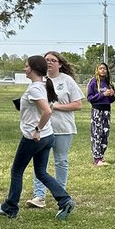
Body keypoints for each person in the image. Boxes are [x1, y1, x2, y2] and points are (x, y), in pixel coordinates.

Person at [0, 55, 76, 220]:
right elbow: (40, 108)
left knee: (16, 171)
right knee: (40, 172)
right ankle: (65, 200)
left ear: (33, 69)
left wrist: (37, 129)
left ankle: (10, 207)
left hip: (35, 137)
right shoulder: (42, 85)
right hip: (48, 136)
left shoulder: (35, 88)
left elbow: (47, 111)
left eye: (26, 66)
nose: (24, 69)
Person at [27, 51, 84, 208]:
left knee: (60, 160)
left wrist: (57, 106)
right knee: (40, 163)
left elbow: (78, 104)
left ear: (60, 64)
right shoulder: (38, 81)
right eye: (47, 60)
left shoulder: (67, 81)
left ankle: (61, 194)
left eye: (53, 60)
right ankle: (39, 196)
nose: (50, 62)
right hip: (43, 129)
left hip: (63, 128)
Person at [87, 62, 115, 165]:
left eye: (104, 68)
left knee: (105, 133)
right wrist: (102, 94)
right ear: (97, 70)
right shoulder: (93, 82)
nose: (103, 70)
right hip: (97, 110)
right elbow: (90, 98)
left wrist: (111, 95)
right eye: (101, 68)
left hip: (106, 110)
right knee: (96, 133)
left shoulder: (109, 83)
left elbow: (112, 100)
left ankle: (101, 156)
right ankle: (96, 157)